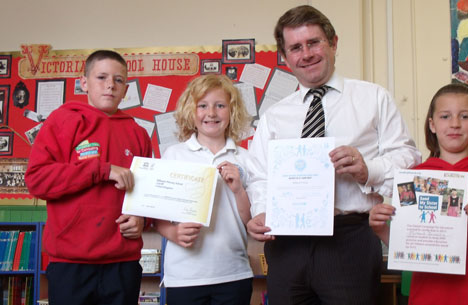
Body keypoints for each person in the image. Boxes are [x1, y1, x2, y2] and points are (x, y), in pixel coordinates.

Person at [246, 5, 421, 304]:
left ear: (333, 43)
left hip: (350, 238)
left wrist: (368, 169)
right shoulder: (275, 115)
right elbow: (259, 174)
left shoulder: (373, 98)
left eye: (314, 42)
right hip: (287, 242)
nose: (307, 53)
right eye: (296, 48)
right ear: (286, 58)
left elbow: (409, 161)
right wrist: (261, 211)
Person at [369, 83, 468, 305]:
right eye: (445, 116)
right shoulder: (413, 178)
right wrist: (380, 229)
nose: (455, 124)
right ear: (432, 124)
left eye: (464, 116)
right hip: (427, 298)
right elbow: (408, 250)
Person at [25, 50, 153, 305]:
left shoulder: (138, 133)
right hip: (71, 263)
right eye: (101, 77)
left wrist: (143, 219)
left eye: (118, 80)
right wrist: (102, 170)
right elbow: (37, 179)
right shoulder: (63, 120)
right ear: (84, 83)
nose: (110, 85)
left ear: (126, 88)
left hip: (123, 262)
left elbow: (148, 194)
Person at [155, 74, 254, 305]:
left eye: (220, 105)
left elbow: (251, 220)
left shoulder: (246, 158)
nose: (211, 113)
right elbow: (155, 213)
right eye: (203, 106)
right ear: (192, 111)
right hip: (184, 276)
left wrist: (239, 189)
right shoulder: (174, 155)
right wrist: (172, 233)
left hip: (234, 273)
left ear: (232, 112)